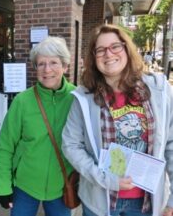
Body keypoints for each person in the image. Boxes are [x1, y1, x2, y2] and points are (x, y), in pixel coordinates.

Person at [62, 24, 173, 216]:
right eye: (100, 50)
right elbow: (71, 145)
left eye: (115, 46)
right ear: (93, 58)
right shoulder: (83, 97)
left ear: (127, 49)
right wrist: (106, 178)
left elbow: (171, 145)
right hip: (99, 200)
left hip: (146, 203)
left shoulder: (158, 90)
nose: (108, 54)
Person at [0, 36, 76, 216]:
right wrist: (3, 186)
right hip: (25, 186)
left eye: (54, 62)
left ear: (65, 66)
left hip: (61, 185)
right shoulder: (22, 101)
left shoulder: (77, 99)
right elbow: (5, 146)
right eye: (41, 64)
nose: (47, 70)